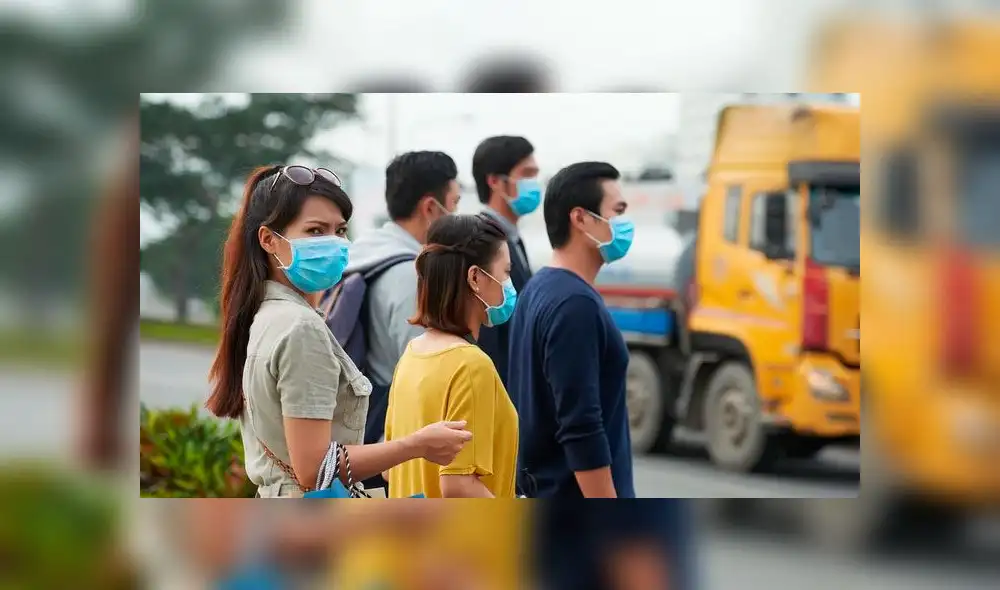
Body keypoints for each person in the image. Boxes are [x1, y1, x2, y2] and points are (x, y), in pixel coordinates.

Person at [206, 165, 471, 498]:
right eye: (315, 231)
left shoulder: (269, 313)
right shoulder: (301, 328)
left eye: (340, 230)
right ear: (268, 240)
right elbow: (315, 469)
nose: (333, 242)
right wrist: (415, 445)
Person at [507, 161, 636, 499]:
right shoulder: (575, 304)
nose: (624, 224)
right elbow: (581, 427)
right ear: (580, 218)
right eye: (617, 211)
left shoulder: (538, 288)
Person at [341, 150, 461, 491]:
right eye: (454, 204)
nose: (456, 215)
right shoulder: (413, 275)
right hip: (393, 441)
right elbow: (424, 376)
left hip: (360, 421)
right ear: (430, 208)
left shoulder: (365, 252)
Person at [383, 213, 519, 498]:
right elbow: (458, 486)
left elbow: (389, 470)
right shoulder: (471, 366)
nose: (509, 283)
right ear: (475, 277)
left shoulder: (412, 355)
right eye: (506, 272)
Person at [471, 135, 539, 385]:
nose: (534, 184)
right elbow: (487, 331)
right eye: (527, 174)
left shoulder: (512, 238)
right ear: (495, 182)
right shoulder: (482, 241)